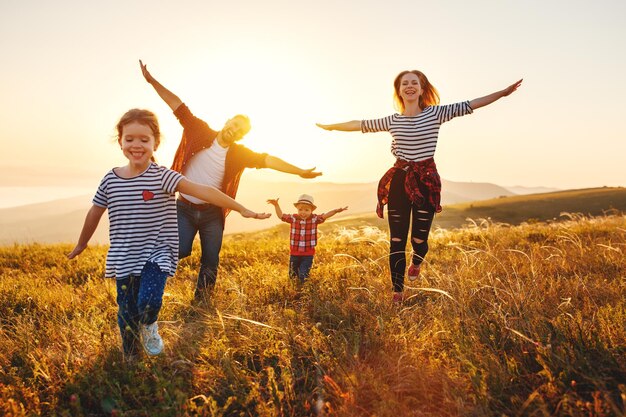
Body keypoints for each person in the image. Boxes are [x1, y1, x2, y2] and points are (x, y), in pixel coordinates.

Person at [67, 109, 270, 359]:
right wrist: (81, 243)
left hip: (157, 254)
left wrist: (241, 208)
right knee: (127, 312)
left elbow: (204, 191)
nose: (137, 145)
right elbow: (95, 212)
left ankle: (150, 325)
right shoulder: (111, 179)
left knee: (148, 302)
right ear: (120, 141)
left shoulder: (163, 176)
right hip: (124, 257)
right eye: (129, 139)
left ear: (155, 143)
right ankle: (131, 356)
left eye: (144, 139)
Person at [317, 71, 522, 303]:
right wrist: (332, 127)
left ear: (422, 89)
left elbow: (472, 104)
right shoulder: (392, 120)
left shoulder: (436, 113)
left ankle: (417, 261)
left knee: (418, 240)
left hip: (426, 182)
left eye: (415, 83)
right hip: (399, 182)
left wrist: (503, 94)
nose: (410, 86)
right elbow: (360, 124)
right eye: (405, 83)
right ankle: (397, 291)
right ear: (399, 90)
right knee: (396, 240)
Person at [139, 60, 322, 303]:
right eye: (233, 125)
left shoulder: (239, 153)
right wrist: (152, 81)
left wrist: (299, 171)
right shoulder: (199, 131)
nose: (233, 131)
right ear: (226, 122)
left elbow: (268, 159)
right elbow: (177, 105)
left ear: (241, 136)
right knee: (180, 249)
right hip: (183, 208)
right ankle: (144, 273)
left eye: (239, 131)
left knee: (211, 259)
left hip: (212, 213)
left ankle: (201, 303)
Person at [267, 194, 347, 283]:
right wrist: (276, 205)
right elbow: (281, 216)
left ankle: (304, 291)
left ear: (311, 210)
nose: (303, 212)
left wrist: (335, 211)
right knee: (292, 275)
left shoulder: (314, 219)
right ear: (297, 209)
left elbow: (325, 216)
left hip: (308, 254)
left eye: (306, 210)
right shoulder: (293, 218)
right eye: (300, 209)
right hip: (294, 253)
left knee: (303, 274)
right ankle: (295, 291)